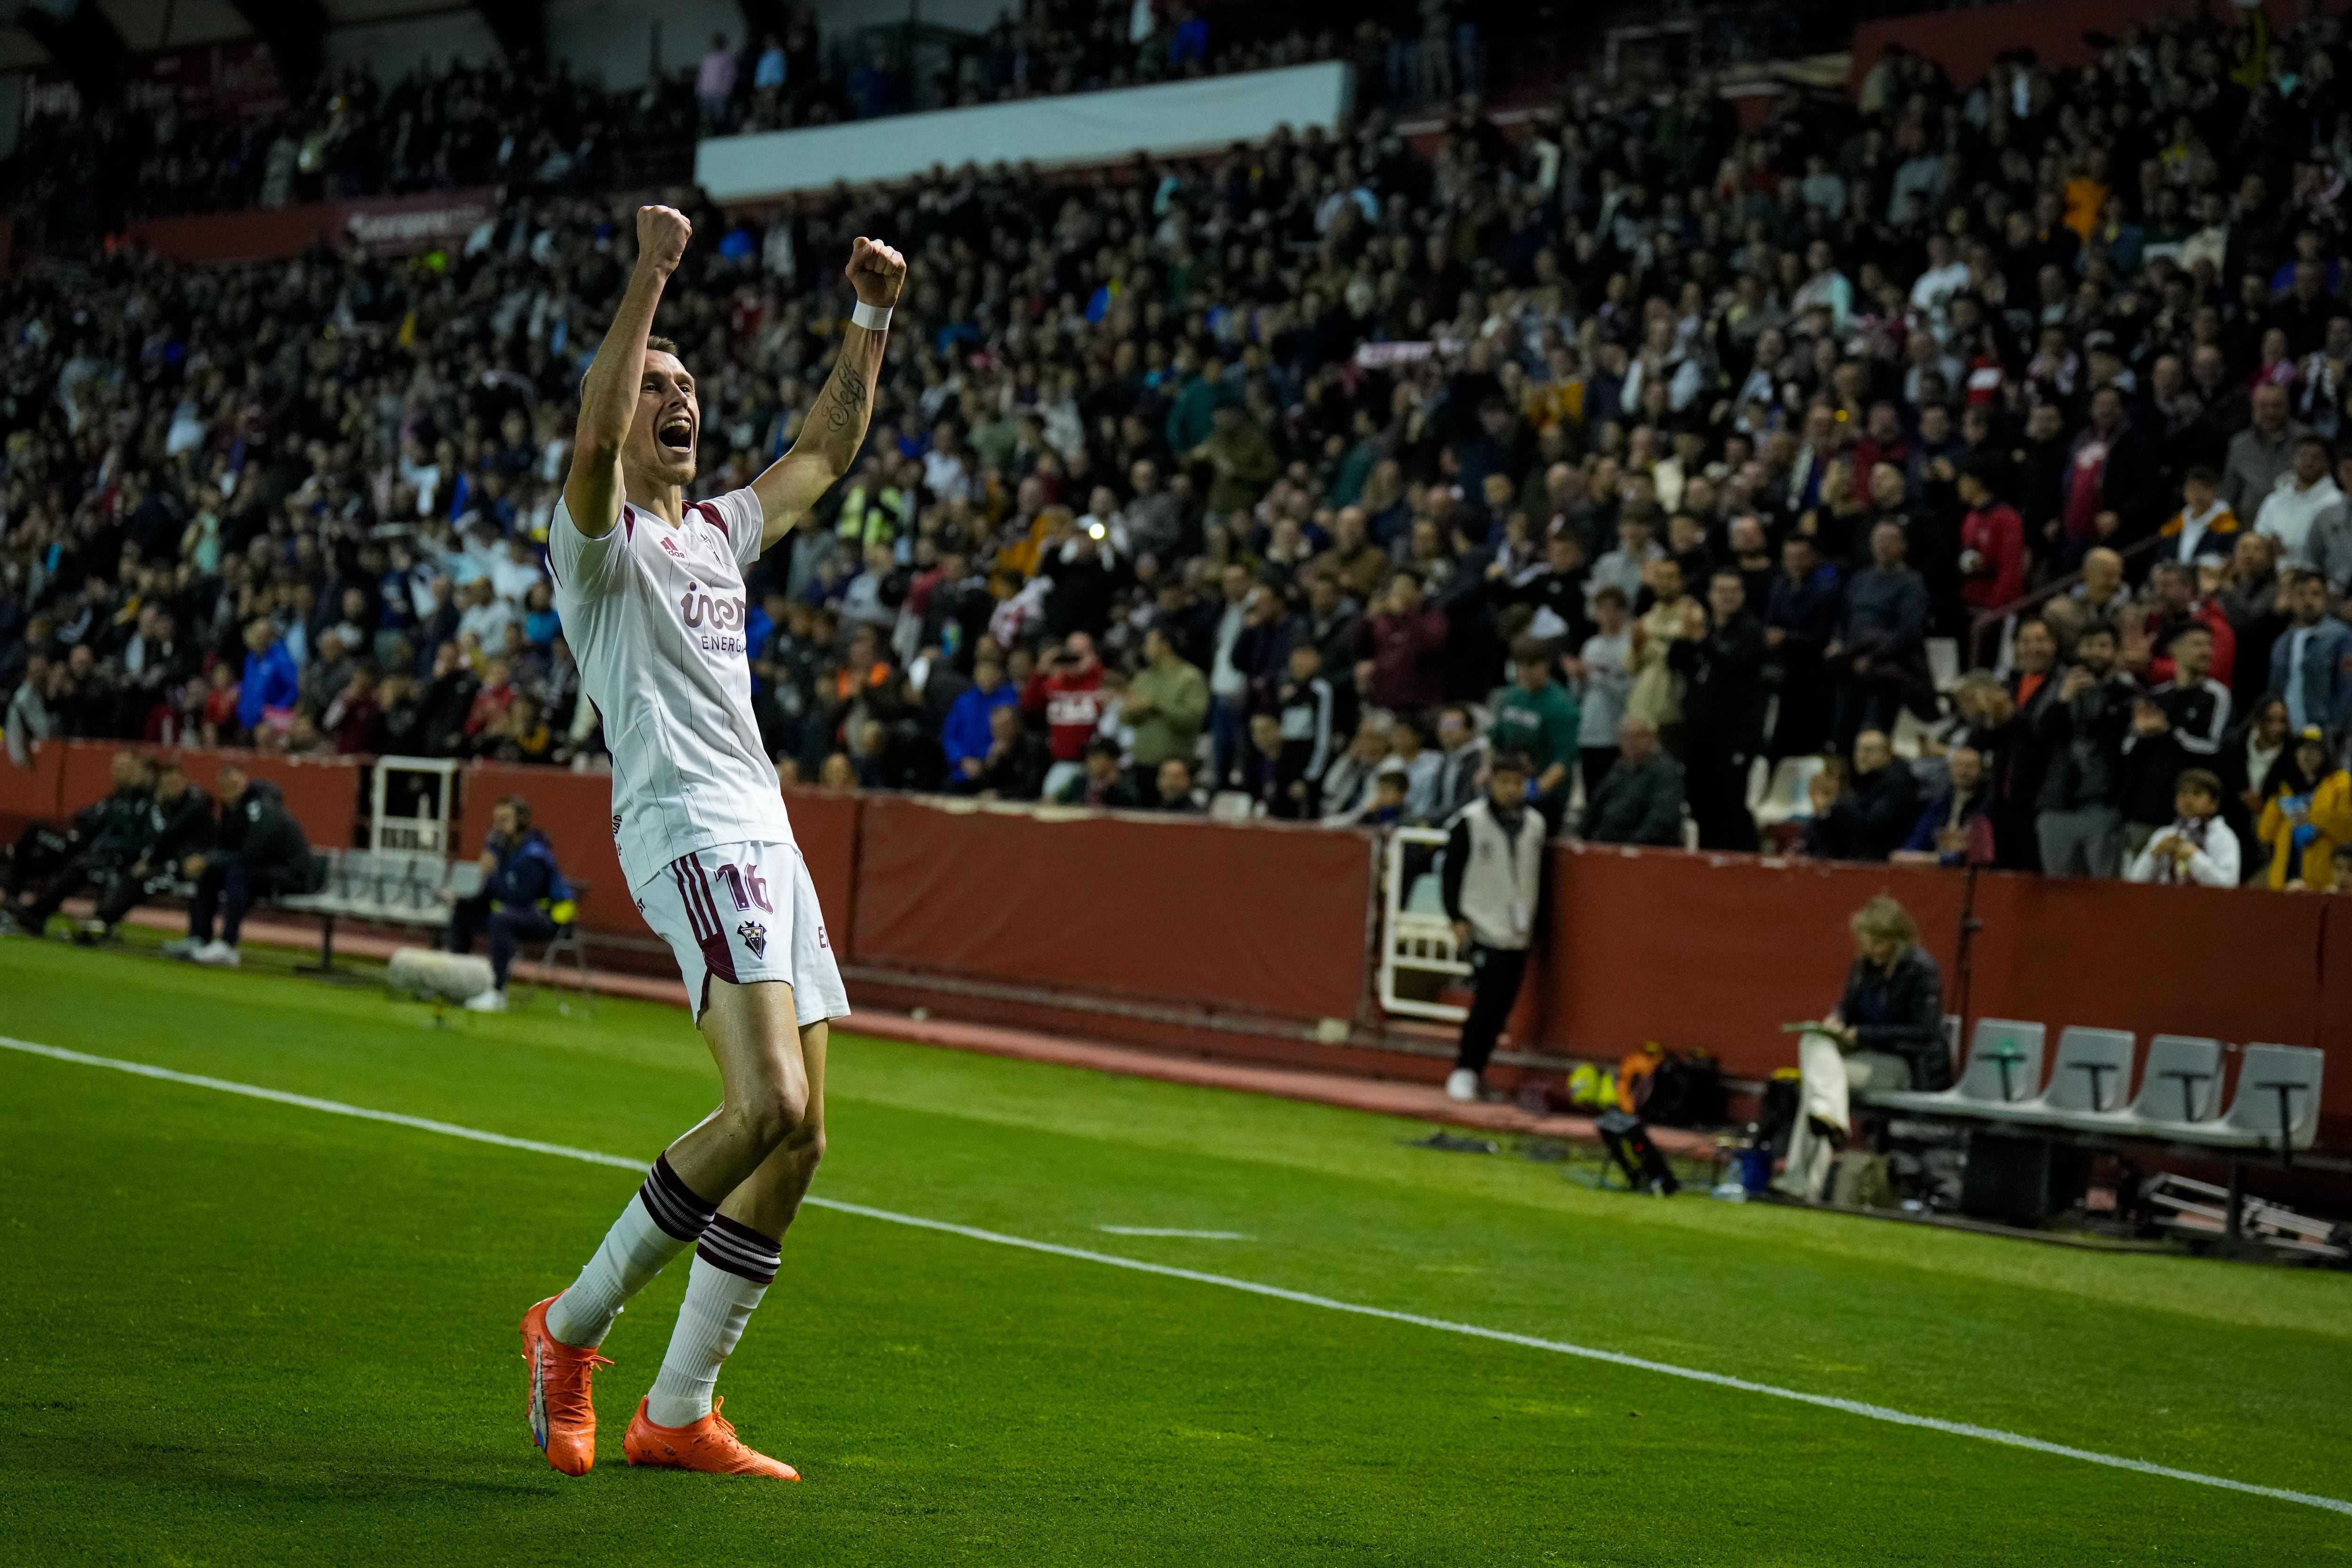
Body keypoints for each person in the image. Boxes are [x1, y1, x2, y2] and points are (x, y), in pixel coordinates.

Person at [521, 206, 904, 1482]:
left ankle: (679, 1408)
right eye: (658, 384)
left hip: (768, 834)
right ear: (624, 410)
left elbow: (823, 451)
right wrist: (651, 268)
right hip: (687, 824)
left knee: (801, 1142)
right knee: (769, 1101)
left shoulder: (718, 534)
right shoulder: (598, 542)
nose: (678, 398)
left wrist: (870, 313)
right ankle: (570, 1330)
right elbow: (589, 429)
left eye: (691, 384)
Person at [1774, 897, 1947, 1202]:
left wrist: (1862, 1035)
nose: (1872, 951)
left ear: (1898, 939)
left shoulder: (1921, 969)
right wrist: (1837, 1020)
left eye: (1879, 944)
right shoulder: (1863, 965)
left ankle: (1801, 1181)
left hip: (1903, 1063)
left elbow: (1926, 1033)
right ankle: (1831, 1117)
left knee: (1818, 1088)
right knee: (1813, 1040)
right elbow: (1848, 1008)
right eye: (1867, 943)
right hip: (1862, 1055)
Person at [1440, 752, 1545, 1104]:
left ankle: (1477, 1070)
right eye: (1504, 782)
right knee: (1486, 1002)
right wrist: (1456, 916)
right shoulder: (1470, 821)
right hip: (1483, 922)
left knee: (1502, 1005)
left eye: (1517, 783)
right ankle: (1465, 1069)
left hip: (1519, 927)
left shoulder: (1535, 824)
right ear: (1490, 782)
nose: (1510, 789)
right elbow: (1451, 869)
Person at [166, 764, 315, 966]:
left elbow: (253, 853)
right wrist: (207, 862)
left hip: (291, 875)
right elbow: (226, 848)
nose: (229, 790)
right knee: (211, 874)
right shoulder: (233, 811)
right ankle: (199, 937)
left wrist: (208, 860)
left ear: (245, 782)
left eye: (234, 783)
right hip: (263, 871)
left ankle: (228, 945)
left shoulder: (261, 808)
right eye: (224, 786)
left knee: (237, 873)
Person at [446, 796, 574, 1012]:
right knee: (464, 910)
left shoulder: (534, 856)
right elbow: (487, 895)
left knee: (502, 917)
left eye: (504, 820)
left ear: (521, 823)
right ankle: (459, 982)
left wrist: (491, 871)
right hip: (514, 915)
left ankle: (497, 992)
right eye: (495, 821)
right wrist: (467, 891)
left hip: (548, 918)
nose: (497, 827)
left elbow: (521, 898)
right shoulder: (501, 852)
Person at [1670, 570, 1767, 851]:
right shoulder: (1707, 628)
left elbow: (1735, 663)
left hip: (1735, 733)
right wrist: (1685, 636)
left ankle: (1744, 861)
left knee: (1731, 801)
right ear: (1710, 596)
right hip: (1700, 732)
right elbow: (1676, 661)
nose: (1727, 597)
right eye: (1721, 591)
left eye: (1733, 591)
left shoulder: (1750, 630)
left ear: (1743, 596)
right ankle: (1708, 857)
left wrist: (1702, 641)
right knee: (1699, 800)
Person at [2034, 621, 2135, 877]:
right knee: (2057, 892)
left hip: (2102, 806)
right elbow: (2038, 736)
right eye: (2089, 646)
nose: (2096, 653)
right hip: (2058, 805)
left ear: (2116, 652)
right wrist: (2063, 700)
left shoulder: (2127, 693)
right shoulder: (2056, 689)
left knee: (2103, 894)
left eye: (2104, 646)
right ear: (2078, 649)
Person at [1487, 635, 1578, 824]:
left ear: (1546, 666)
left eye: (1533, 666)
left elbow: (1564, 760)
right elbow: (1495, 741)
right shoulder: (1510, 697)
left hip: (1543, 792)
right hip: (1508, 784)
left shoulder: (1560, 705)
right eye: (1521, 666)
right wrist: (1488, 772)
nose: (1526, 672)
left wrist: (1534, 791)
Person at [2255, 726, 2352, 890]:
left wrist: (2313, 817)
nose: (2307, 755)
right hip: (2284, 881)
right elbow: (2265, 834)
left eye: (2314, 749)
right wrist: (2277, 805)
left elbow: (2347, 832)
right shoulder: (2285, 789)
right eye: (2302, 748)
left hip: (2323, 883)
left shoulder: (2341, 784)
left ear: (2326, 753)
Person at [2268, 569, 2352, 742]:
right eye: (2301, 594)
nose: (2308, 601)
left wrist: (2334, 730)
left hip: (2328, 734)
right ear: (2291, 599)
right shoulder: (2282, 642)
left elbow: (2347, 690)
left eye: (2315, 594)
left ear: (2326, 598)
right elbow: (2275, 690)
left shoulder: (2342, 638)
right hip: (2288, 734)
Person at [2124, 769, 2241, 887]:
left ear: (2214, 803)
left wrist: (2195, 858)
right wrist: (2154, 854)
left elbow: (2229, 884)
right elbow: (2133, 882)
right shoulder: (2164, 835)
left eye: (2197, 793)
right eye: (2183, 793)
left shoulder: (2222, 836)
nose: (2188, 800)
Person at [1579, 716, 1685, 845]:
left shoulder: (1665, 771)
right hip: (1607, 845)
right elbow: (1595, 806)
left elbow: (1662, 818)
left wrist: (1631, 845)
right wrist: (1583, 835)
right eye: (1625, 737)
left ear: (1653, 738)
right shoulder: (1619, 769)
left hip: (1644, 850)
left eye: (1638, 736)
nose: (1631, 742)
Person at [1891, 745, 1995, 867]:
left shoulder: (1989, 804)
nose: (1963, 772)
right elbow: (1921, 834)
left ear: (1982, 770)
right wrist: (1908, 854)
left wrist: (1938, 859)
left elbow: (1978, 851)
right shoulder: (1941, 801)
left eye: (1970, 766)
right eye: (1958, 765)